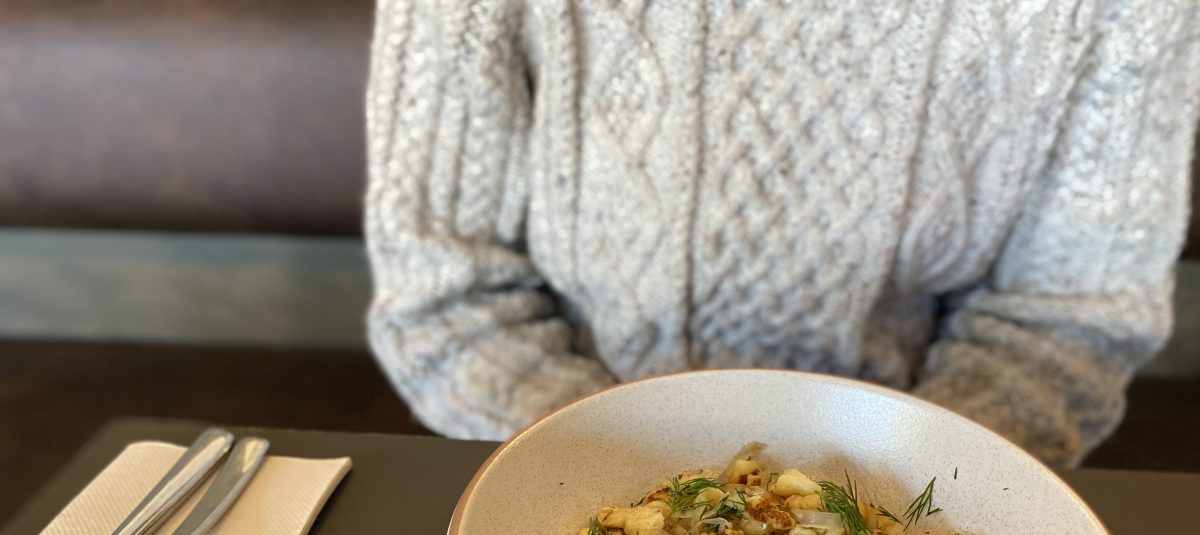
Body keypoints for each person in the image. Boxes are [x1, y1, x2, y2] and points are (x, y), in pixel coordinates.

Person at [363, 0, 1200, 467]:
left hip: (925, 487)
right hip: (563, 456)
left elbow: (1068, 319)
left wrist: (881, 517)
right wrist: (622, 487)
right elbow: (447, 290)